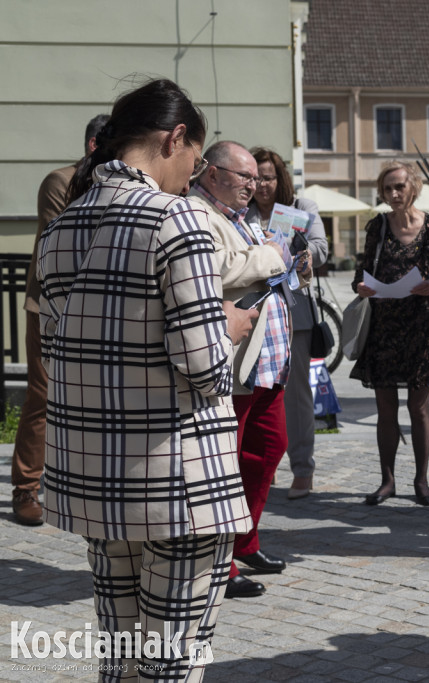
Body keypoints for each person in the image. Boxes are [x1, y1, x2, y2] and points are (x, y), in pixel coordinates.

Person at [36, 78, 256, 679]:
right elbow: (204, 367)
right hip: (178, 480)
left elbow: (61, 353)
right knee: (173, 659)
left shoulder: (63, 228)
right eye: (194, 156)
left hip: (96, 475)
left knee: (123, 652)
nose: (194, 171)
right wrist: (228, 327)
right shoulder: (176, 218)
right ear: (174, 137)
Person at [190, 141, 309, 599]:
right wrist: (274, 256)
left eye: (256, 178)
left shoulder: (241, 216)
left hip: (267, 360)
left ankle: (246, 541)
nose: (254, 185)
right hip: (236, 361)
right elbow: (221, 270)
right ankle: (219, 565)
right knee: (225, 465)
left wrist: (294, 268)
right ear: (214, 173)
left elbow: (259, 270)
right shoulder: (199, 213)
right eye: (245, 177)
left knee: (268, 448)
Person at [11, 113, 107, 527]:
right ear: (94, 145)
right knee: (44, 396)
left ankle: (84, 483)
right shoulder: (59, 182)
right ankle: (25, 489)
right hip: (49, 306)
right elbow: (63, 244)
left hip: (100, 307)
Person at [352, 161, 429, 507]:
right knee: (385, 408)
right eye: (387, 189)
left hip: (422, 328)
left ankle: (422, 480)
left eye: (399, 187)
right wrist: (362, 286)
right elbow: (361, 271)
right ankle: (387, 480)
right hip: (384, 327)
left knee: (419, 406)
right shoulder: (377, 226)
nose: (394, 194)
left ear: (413, 187)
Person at [247, 146, 329, 501]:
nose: (263, 184)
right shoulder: (241, 212)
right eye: (256, 178)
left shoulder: (300, 209)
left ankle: (302, 468)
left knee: (295, 395)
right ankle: (262, 464)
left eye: (268, 177)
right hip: (251, 311)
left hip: (294, 309)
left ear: (280, 178)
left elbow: (321, 247)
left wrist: (305, 256)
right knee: (252, 394)